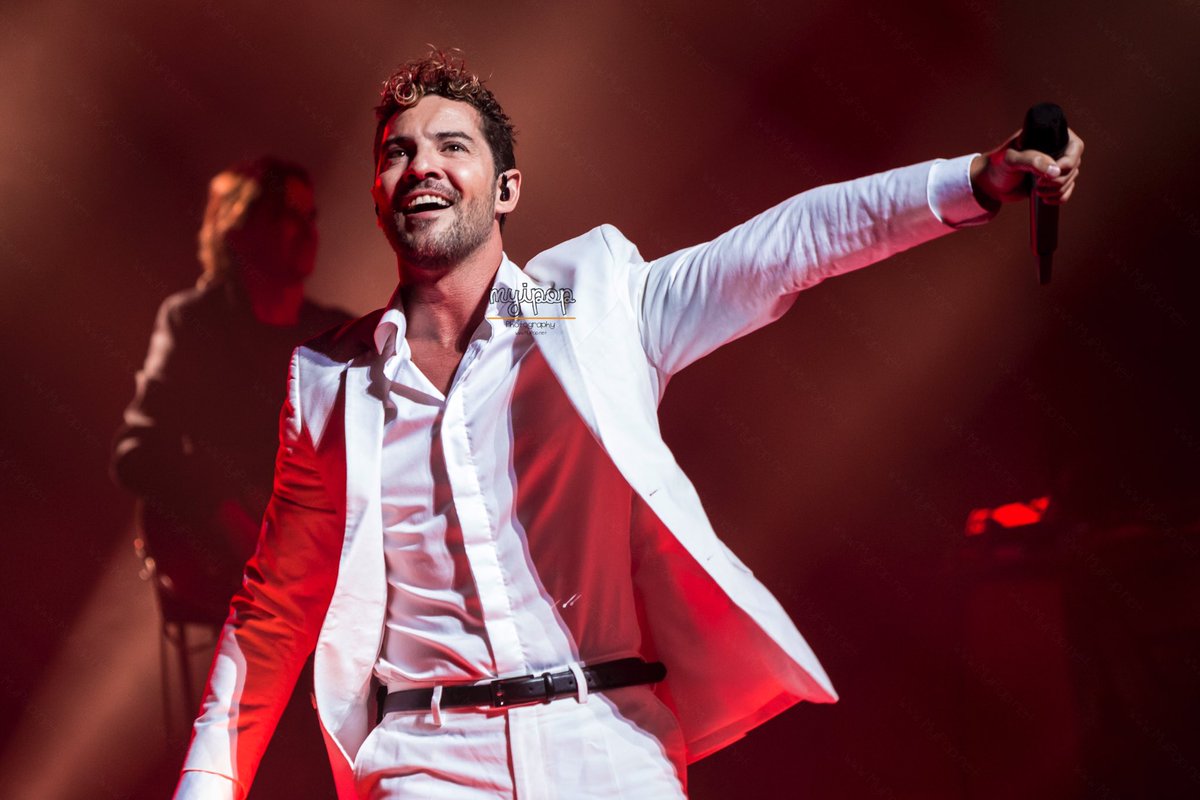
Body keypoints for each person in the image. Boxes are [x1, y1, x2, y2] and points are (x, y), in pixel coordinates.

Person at [173, 51, 1083, 799]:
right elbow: (273, 609)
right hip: (428, 763)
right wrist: (207, 784)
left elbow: (782, 249)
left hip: (607, 747)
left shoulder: (586, 304)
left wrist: (973, 181)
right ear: (377, 194)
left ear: (507, 188)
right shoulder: (333, 382)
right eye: (397, 153)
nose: (421, 167)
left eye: (452, 145)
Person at [111, 156, 349, 797]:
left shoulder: (334, 334)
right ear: (240, 230)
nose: (307, 230)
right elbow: (138, 448)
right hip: (227, 573)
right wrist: (221, 511)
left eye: (312, 217)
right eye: (287, 216)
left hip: (311, 573)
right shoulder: (193, 323)